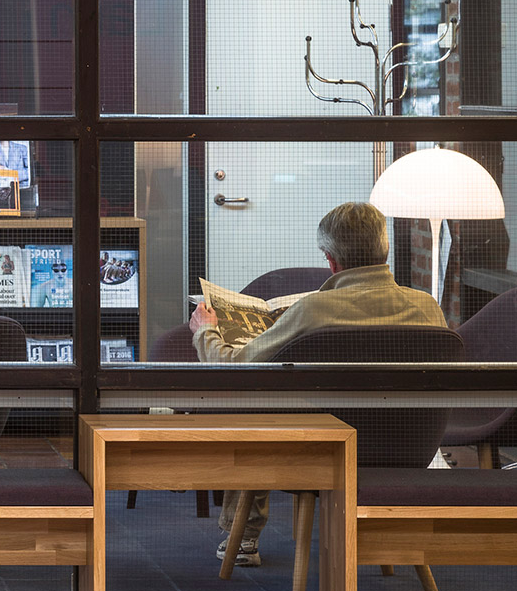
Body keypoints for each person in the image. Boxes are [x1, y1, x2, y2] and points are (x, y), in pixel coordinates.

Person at [187, 201, 448, 568]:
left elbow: (234, 369)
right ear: (385, 249)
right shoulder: (428, 308)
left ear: (331, 261)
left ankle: (243, 536)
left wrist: (205, 331)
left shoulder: (315, 311)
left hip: (319, 454)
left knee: (259, 405)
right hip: (405, 452)